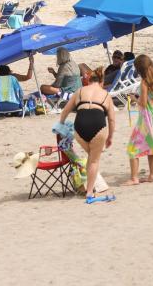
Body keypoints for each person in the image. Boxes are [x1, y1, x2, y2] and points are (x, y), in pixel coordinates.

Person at [58, 66, 116, 203]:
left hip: (80, 126)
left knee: (91, 157)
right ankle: (89, 193)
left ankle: (91, 187)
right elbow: (112, 120)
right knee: (94, 160)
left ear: (89, 80)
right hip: (98, 124)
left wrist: (61, 126)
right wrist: (110, 137)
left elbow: (65, 111)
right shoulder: (106, 95)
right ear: (101, 82)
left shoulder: (79, 91)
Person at [124, 54, 153, 186]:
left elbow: (142, 103)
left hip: (146, 118)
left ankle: (134, 178)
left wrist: (134, 98)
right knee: (152, 145)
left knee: (132, 147)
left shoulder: (144, 82)